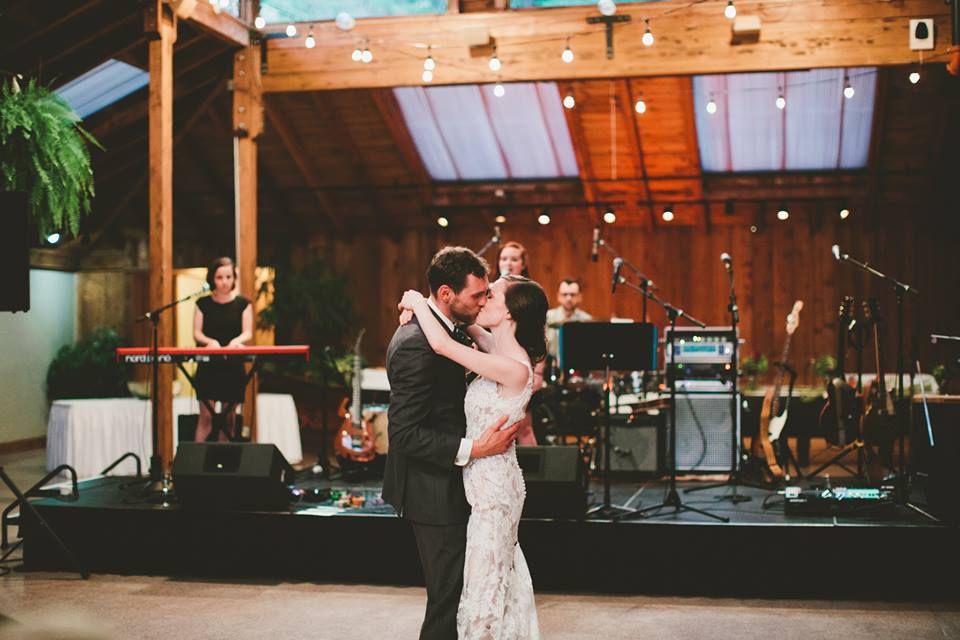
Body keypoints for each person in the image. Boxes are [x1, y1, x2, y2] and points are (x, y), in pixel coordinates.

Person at [382, 247, 524, 640]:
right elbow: (404, 433)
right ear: (446, 294)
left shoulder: (449, 329)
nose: (483, 302)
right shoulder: (417, 341)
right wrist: (475, 449)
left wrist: (415, 301)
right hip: (431, 488)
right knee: (447, 600)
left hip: (458, 481)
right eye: (477, 295)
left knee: (461, 596)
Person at [192, 256, 253, 442]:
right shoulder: (202, 304)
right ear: (212, 279)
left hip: (232, 366)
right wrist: (209, 342)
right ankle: (195, 465)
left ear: (234, 278)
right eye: (219, 277)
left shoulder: (243, 304)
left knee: (228, 419)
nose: (224, 282)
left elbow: (247, 332)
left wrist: (236, 341)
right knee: (206, 417)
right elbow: (197, 333)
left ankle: (223, 464)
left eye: (228, 277)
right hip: (209, 367)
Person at [545, 278, 593, 362]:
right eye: (565, 294)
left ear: (580, 296)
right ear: (558, 296)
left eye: (572, 294)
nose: (568, 298)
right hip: (551, 366)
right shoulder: (547, 317)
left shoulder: (587, 320)